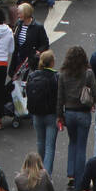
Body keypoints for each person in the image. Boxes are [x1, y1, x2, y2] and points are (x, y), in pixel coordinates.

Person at [56, 44, 96, 190]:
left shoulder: (62, 74)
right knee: (81, 147)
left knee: (72, 143)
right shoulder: (88, 74)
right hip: (83, 114)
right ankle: (80, 182)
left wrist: (60, 115)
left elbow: (60, 97)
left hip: (69, 113)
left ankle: (71, 175)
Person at [26, 48, 59, 176]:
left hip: (37, 113)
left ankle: (38, 171)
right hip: (51, 114)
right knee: (50, 146)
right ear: (52, 62)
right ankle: (47, 175)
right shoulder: (55, 76)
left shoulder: (33, 76)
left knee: (40, 142)